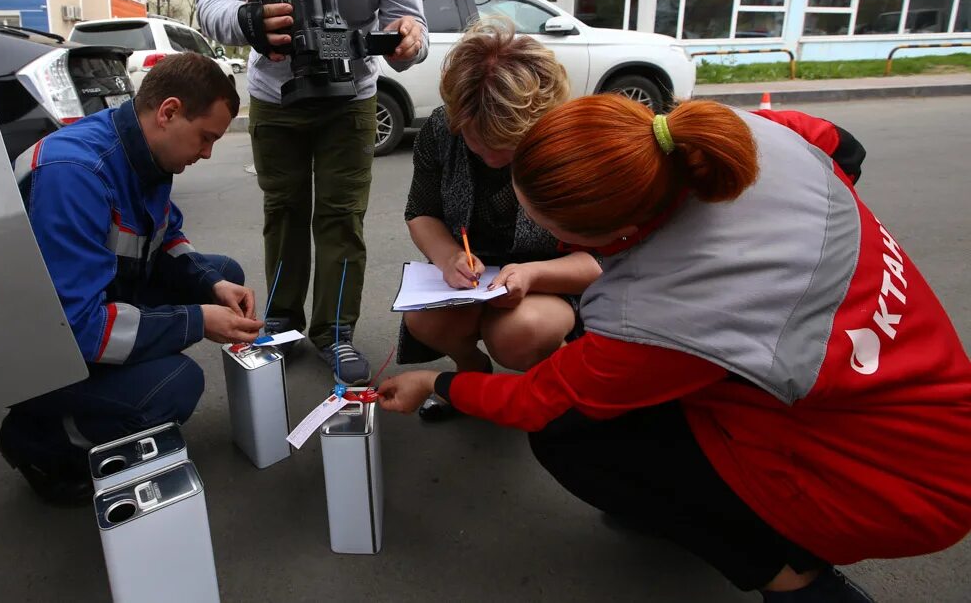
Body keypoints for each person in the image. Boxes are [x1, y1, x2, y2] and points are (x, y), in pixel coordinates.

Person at [379, 95, 971, 601]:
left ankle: (794, 578)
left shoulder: (654, 315)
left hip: (896, 487)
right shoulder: (747, 138)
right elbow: (843, 148)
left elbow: (539, 403)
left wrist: (436, 383)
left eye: (562, 236)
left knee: (573, 440)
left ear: (615, 233)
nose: (555, 242)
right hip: (939, 401)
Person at [196, 0, 427, 384]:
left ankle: (336, 332)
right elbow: (212, 3)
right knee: (284, 211)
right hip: (276, 94)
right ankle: (280, 320)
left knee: (342, 217)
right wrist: (247, 20)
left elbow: (410, 24)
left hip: (353, 98)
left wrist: (408, 38)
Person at [0, 53, 263, 503]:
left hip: (93, 304)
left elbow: (166, 236)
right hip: (41, 353)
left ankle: (123, 382)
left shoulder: (143, 150)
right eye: (205, 138)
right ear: (169, 112)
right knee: (174, 384)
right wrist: (197, 321)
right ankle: (40, 438)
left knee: (221, 275)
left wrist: (211, 288)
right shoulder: (75, 176)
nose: (207, 153)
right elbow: (80, 330)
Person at [399, 18, 600, 420]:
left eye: (506, 146)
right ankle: (469, 375)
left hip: (551, 278)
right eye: (476, 141)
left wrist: (533, 276)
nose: (491, 158)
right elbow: (422, 212)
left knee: (521, 332)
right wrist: (448, 256)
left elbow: (601, 261)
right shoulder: (442, 127)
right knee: (424, 318)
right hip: (473, 274)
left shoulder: (574, 142)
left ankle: (546, 390)